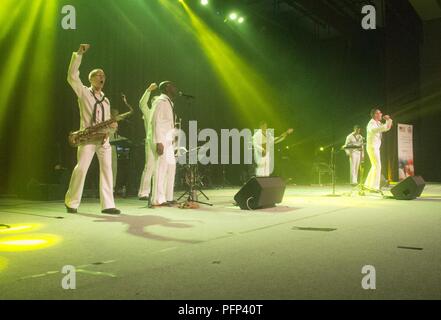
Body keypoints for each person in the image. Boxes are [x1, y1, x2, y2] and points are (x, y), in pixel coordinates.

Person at [64, 44, 121, 214]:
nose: (102, 77)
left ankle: (108, 205)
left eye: (103, 75)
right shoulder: (83, 92)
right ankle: (71, 202)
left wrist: (112, 125)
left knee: (107, 170)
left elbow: (106, 122)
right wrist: (79, 54)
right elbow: (72, 76)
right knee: (81, 168)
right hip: (88, 137)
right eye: (98, 75)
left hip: (103, 139)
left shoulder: (106, 100)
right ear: (91, 79)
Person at [151, 81, 179, 207]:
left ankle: (168, 197)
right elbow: (155, 122)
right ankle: (157, 199)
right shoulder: (160, 101)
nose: (175, 88)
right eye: (173, 85)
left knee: (171, 169)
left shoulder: (168, 102)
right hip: (162, 141)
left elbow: (167, 123)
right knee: (161, 170)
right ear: (167, 88)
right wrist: (158, 142)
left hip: (169, 141)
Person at [138, 82, 158, 201]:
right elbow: (141, 104)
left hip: (161, 143)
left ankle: (158, 192)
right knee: (149, 166)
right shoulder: (148, 112)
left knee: (159, 168)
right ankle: (143, 193)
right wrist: (149, 90)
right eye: (155, 101)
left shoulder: (163, 114)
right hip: (150, 142)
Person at [364, 108, 393, 192]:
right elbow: (373, 130)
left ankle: (368, 185)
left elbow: (387, 128)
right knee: (377, 166)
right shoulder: (371, 123)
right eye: (379, 113)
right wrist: (383, 127)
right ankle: (374, 187)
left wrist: (388, 120)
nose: (381, 114)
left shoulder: (378, 123)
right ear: (375, 115)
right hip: (372, 147)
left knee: (374, 166)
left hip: (376, 147)